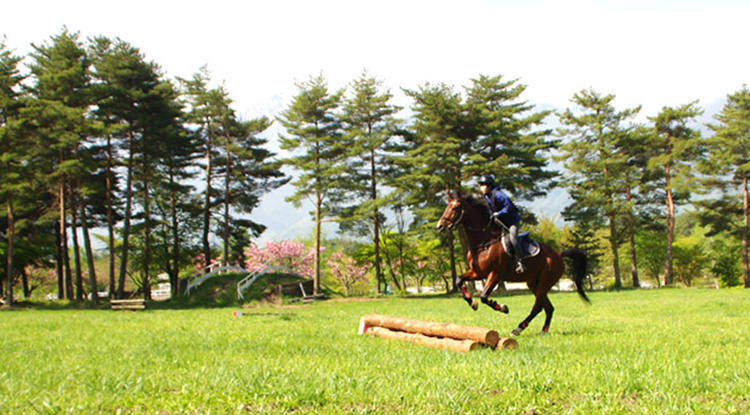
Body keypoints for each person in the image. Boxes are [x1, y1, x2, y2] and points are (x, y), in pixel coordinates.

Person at [478, 174, 525, 273]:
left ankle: (520, 262)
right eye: (480, 185)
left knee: (512, 239)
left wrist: (498, 214)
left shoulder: (499, 195)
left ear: (489, 186)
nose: (481, 187)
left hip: (512, 222)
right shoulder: (487, 196)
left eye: (483, 185)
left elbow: (509, 207)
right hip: (501, 222)